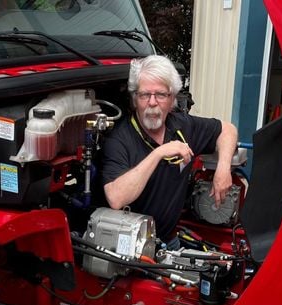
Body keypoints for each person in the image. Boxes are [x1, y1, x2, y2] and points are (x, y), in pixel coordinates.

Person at [101, 55, 238, 247]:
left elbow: (228, 130)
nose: (152, 102)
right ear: (134, 99)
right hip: (127, 248)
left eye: (161, 95)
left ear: (172, 98)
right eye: (144, 95)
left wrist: (223, 169)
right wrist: (159, 153)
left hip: (168, 241)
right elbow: (116, 198)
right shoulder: (119, 139)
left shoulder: (182, 125)